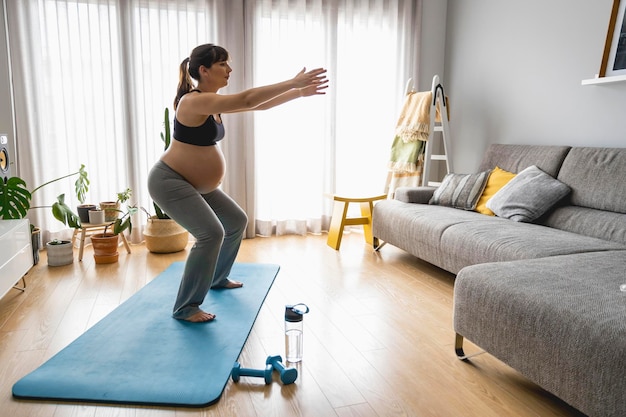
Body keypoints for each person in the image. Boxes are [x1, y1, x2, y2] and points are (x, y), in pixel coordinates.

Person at [148, 44, 328, 323]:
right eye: (222, 64)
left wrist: (298, 93)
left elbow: (258, 104)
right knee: (210, 234)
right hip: (171, 180)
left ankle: (218, 277)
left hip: (197, 185)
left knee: (235, 221)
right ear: (204, 70)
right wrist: (293, 81)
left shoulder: (213, 101)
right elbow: (247, 99)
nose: (229, 69)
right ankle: (186, 307)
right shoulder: (193, 101)